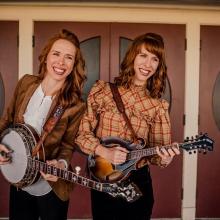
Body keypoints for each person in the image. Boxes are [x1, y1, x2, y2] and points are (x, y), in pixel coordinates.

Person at [75, 32, 180, 220]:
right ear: (132, 56)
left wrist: (166, 158)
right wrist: (103, 151)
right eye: (143, 55)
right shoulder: (103, 91)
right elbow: (81, 135)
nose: (148, 64)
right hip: (104, 178)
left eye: (155, 59)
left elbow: (157, 154)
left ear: (159, 65)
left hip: (138, 181)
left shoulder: (157, 105)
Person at [0, 29, 86, 220]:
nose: (61, 62)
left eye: (69, 57)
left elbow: (68, 145)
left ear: (74, 64)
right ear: (46, 56)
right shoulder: (26, 83)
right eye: (56, 54)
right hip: (19, 176)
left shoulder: (75, 104)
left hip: (51, 185)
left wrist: (61, 165)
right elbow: (6, 121)